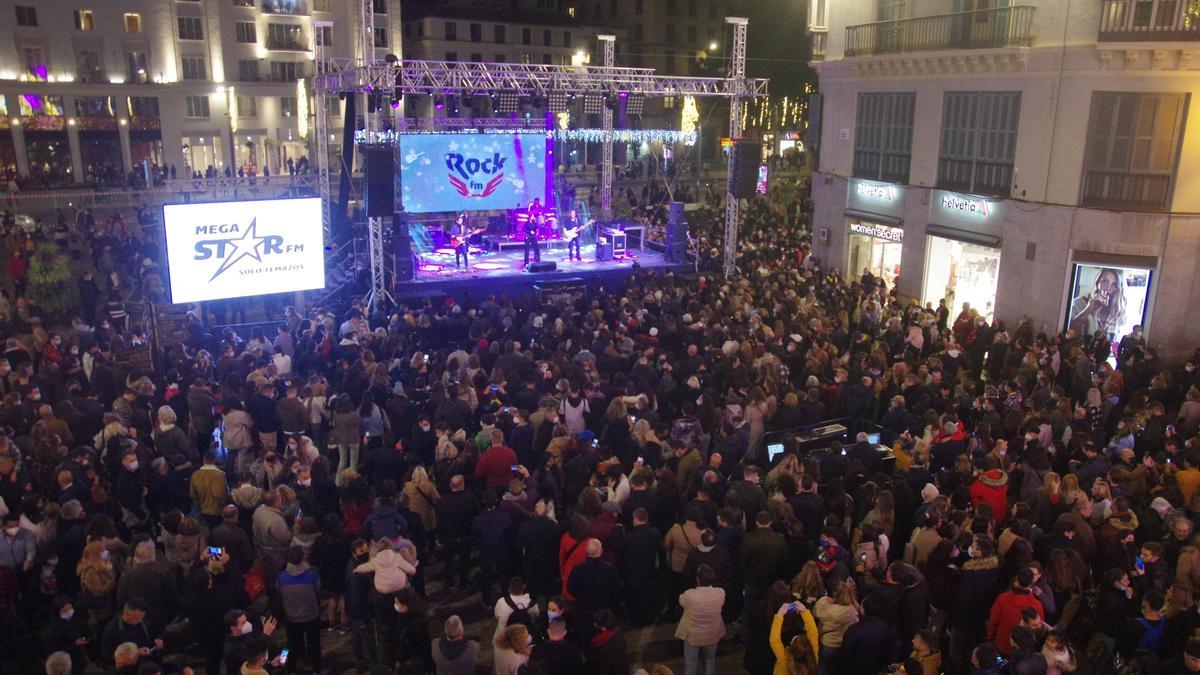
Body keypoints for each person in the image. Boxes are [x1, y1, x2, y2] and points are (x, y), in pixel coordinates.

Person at [675, 564, 726, 675]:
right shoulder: (720, 593)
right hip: (712, 631)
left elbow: (681, 601)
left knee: (691, 662)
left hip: (693, 633)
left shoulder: (689, 595)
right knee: (710, 660)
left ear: (698, 579)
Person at [524, 198, 543, 266]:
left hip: (533, 236)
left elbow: (542, 212)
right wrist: (530, 232)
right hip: (528, 236)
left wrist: (536, 231)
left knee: (536, 247)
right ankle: (526, 262)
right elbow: (525, 229)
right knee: (527, 249)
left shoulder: (540, 206)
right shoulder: (531, 206)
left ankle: (537, 259)